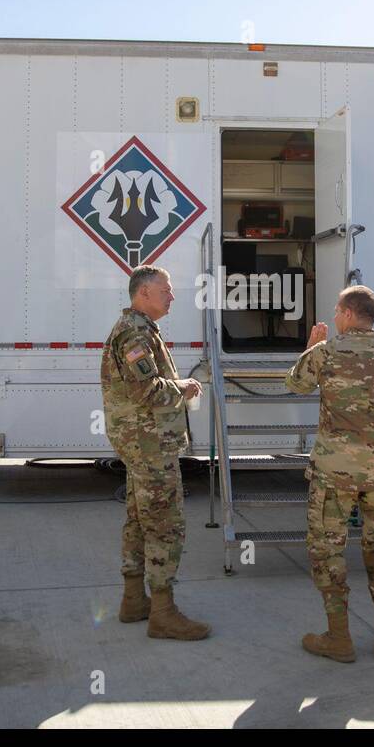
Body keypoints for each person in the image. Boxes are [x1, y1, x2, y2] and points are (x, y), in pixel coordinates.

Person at [286, 285, 374, 662]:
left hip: (333, 473)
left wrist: (310, 347)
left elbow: (295, 384)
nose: (334, 317)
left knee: (328, 549)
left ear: (349, 314)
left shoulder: (327, 352)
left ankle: (339, 636)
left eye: (337, 311)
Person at [101, 264, 209, 640]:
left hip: (142, 444)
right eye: (165, 289)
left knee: (138, 519)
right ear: (143, 293)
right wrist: (185, 387)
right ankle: (163, 611)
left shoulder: (140, 330)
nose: (172, 295)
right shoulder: (134, 332)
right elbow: (148, 390)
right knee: (165, 523)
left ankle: (134, 600)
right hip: (149, 444)